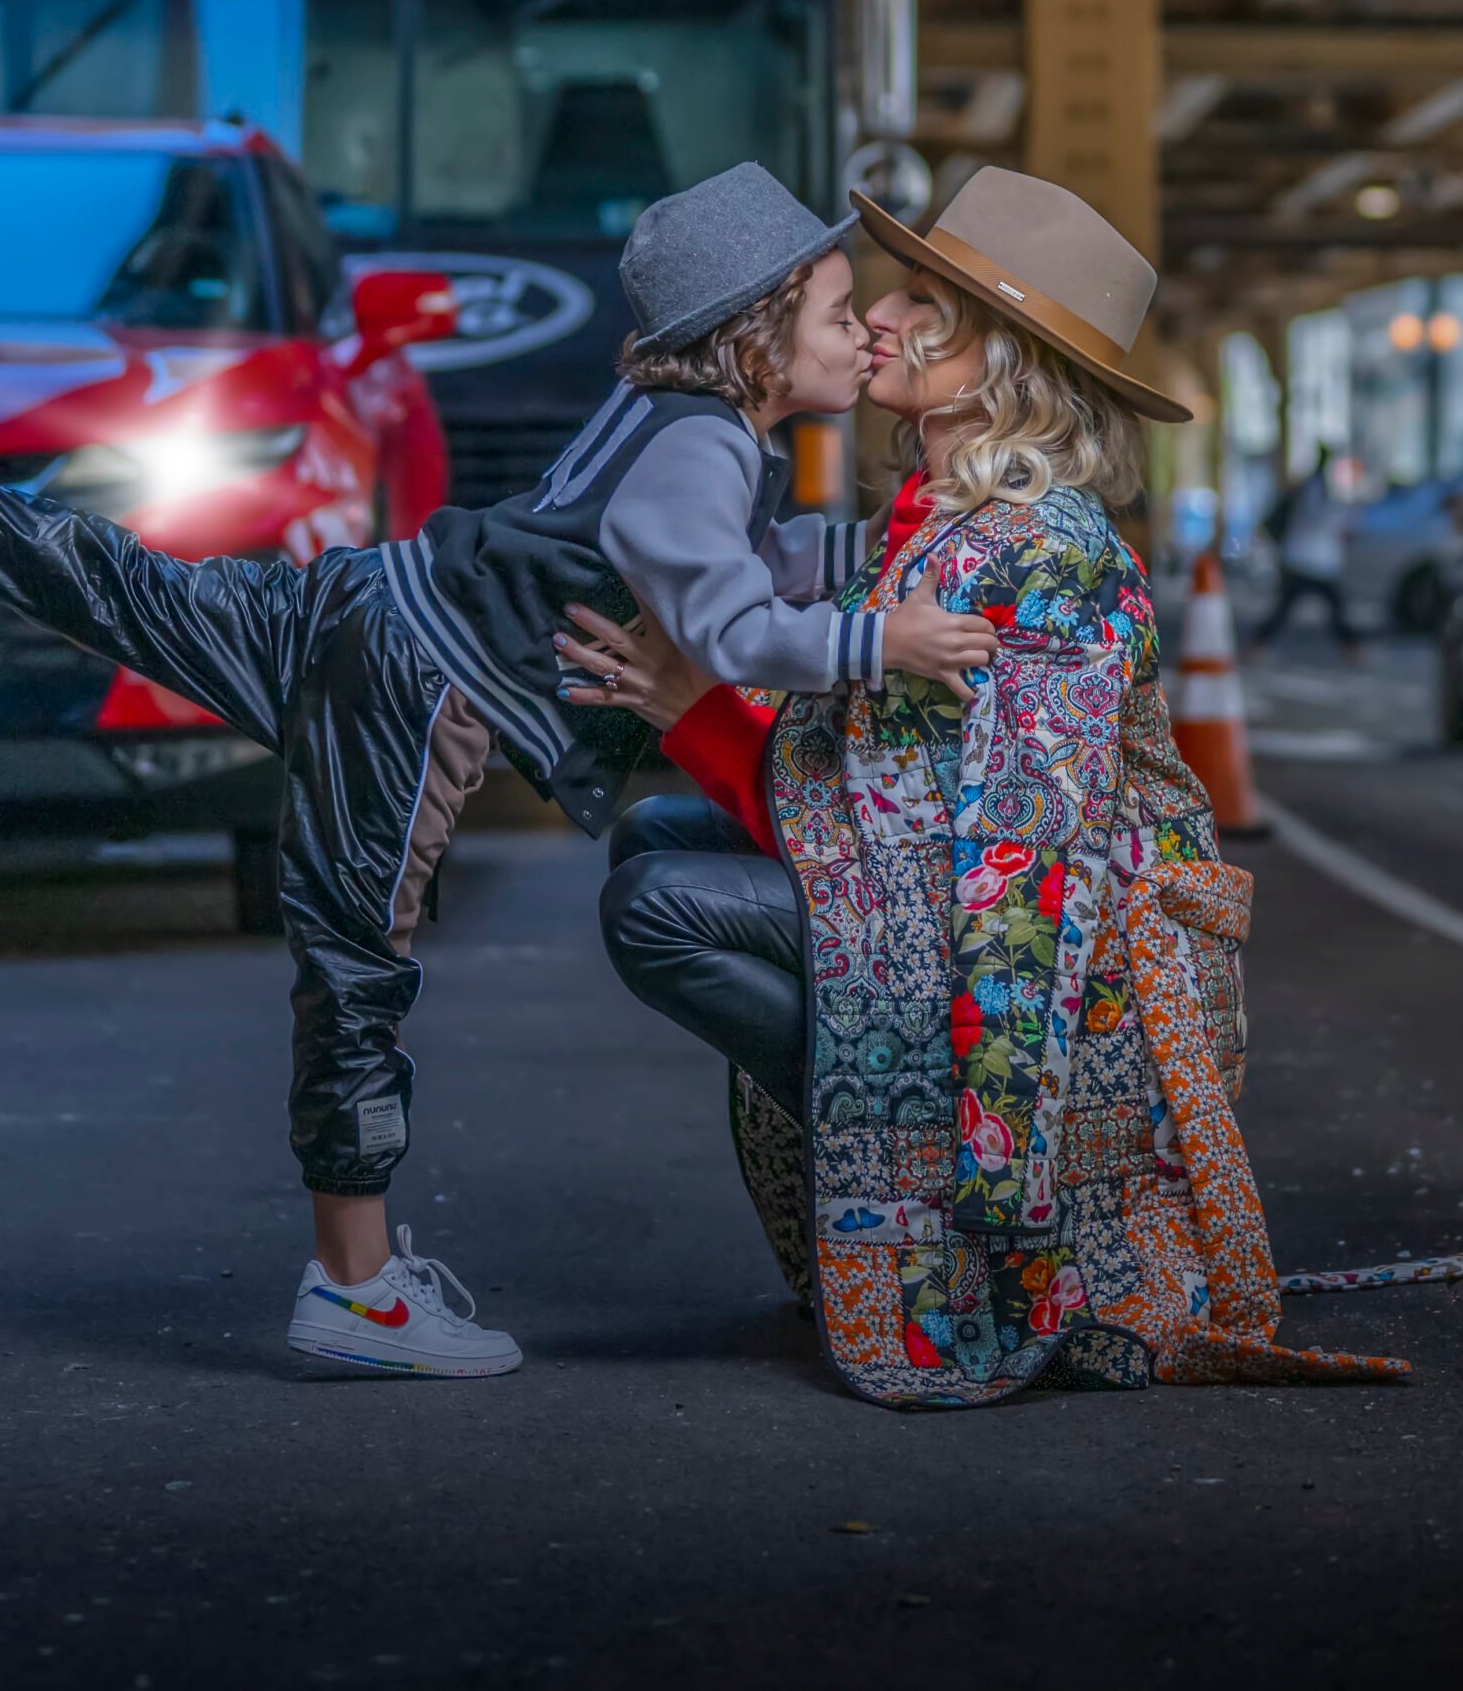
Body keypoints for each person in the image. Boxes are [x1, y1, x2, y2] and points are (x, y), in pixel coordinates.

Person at [0, 163, 997, 1381]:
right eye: (834, 310)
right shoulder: (706, 447)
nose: (861, 329)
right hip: (419, 682)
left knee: (121, 586)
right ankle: (354, 1286)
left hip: (359, 602)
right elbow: (727, 625)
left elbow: (704, 556)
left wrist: (843, 558)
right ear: (756, 332)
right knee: (358, 957)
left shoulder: (671, 412)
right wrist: (886, 635)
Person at [557, 169, 1409, 1408]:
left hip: (1057, 966)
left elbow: (1016, 863)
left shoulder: (1042, 548)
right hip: (946, 898)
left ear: (995, 356)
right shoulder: (933, 523)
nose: (880, 320)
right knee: (651, 835)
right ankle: (884, 1123)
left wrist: (1005, 1151)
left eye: (918, 299)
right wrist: (682, 703)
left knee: (654, 907)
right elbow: (865, 796)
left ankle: (911, 1153)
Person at [1249, 444, 1362, 658]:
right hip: (1311, 560)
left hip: (1306, 558)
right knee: (1329, 608)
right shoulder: (1317, 490)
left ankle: (1257, 645)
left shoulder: (1310, 487)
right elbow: (1320, 520)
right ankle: (1353, 649)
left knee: (1292, 608)